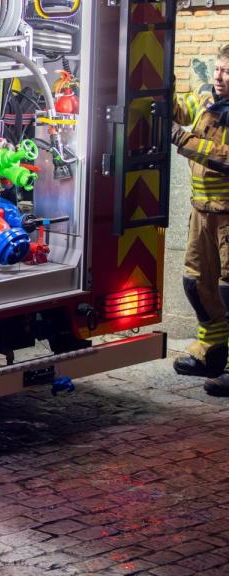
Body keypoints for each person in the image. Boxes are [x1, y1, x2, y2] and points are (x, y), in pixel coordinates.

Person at [171, 44, 229, 397]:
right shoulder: (205, 102)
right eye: (218, 69)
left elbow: (224, 157)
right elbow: (178, 109)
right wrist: (161, 83)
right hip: (201, 212)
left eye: (226, 72)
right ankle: (211, 354)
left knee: (228, 290)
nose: (218, 77)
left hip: (227, 216)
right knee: (196, 283)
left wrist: (186, 140)